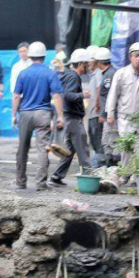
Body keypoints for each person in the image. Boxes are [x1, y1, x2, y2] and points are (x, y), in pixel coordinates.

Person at [12, 41, 65, 191]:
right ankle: (41, 183)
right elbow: (56, 96)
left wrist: (13, 115)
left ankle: (20, 181)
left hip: (25, 114)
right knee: (42, 149)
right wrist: (60, 116)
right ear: (43, 56)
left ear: (30, 56)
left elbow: (16, 96)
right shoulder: (50, 73)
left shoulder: (23, 73)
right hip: (43, 113)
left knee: (22, 148)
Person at [105, 42, 139, 169]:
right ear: (130, 57)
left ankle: (136, 177)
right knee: (127, 150)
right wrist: (110, 114)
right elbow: (112, 95)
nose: (138, 58)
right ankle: (126, 174)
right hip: (125, 119)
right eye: (136, 55)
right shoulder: (121, 74)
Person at [49, 49, 93, 186]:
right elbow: (67, 96)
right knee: (83, 147)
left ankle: (57, 176)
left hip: (68, 116)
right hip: (73, 117)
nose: (88, 66)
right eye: (86, 64)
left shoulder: (67, 74)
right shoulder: (73, 77)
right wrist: (82, 95)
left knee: (70, 149)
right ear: (80, 64)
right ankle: (89, 179)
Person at [94, 47, 119, 167]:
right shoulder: (108, 73)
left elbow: (111, 96)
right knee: (107, 142)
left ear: (99, 62)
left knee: (110, 142)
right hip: (110, 114)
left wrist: (105, 114)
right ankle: (111, 168)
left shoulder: (110, 75)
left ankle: (113, 169)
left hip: (111, 116)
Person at [84, 45, 104, 167]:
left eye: (89, 61)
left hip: (96, 113)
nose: (87, 63)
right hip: (92, 113)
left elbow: (99, 90)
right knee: (93, 139)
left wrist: (97, 105)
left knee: (97, 140)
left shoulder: (98, 74)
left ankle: (100, 167)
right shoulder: (93, 74)